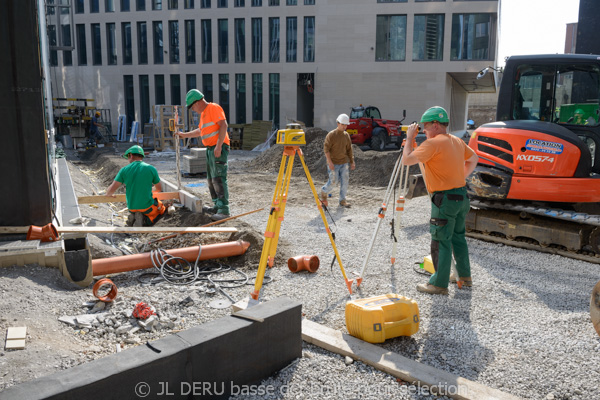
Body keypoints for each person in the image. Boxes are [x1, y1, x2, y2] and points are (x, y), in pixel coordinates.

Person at [401, 106, 479, 295]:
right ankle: (464, 276)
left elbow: (407, 160)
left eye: (425, 127)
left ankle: (439, 283)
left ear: (436, 125)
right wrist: (461, 175)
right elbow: (474, 158)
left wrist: (410, 138)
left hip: (444, 201)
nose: (425, 131)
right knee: (458, 238)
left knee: (441, 240)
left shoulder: (433, 144)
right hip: (461, 196)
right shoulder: (457, 141)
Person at [176, 89, 230, 221]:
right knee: (211, 179)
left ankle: (224, 210)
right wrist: (184, 135)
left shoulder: (213, 108)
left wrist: (218, 146)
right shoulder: (204, 114)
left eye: (193, 106)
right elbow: (201, 131)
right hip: (210, 149)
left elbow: (223, 125)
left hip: (218, 147)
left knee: (218, 178)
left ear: (198, 101)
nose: (193, 109)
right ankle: (217, 205)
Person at [105, 145, 166, 227]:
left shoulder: (124, 170)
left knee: (137, 208)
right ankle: (145, 220)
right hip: (147, 208)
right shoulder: (151, 169)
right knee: (161, 208)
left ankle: (134, 215)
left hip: (131, 207)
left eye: (128, 157)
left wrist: (109, 194)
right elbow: (159, 189)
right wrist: (147, 191)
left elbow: (110, 191)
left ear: (131, 155)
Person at [319, 113, 356, 208]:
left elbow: (349, 150)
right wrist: (330, 162)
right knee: (333, 182)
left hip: (344, 163)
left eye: (346, 125)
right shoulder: (331, 135)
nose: (344, 126)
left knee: (345, 181)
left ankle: (342, 200)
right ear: (338, 123)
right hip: (333, 163)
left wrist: (352, 161)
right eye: (343, 124)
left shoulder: (346, 136)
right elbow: (326, 149)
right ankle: (324, 191)